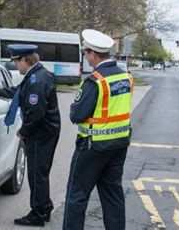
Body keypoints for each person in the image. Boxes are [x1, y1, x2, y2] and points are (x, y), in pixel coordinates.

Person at [0, 44, 61, 227]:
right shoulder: (37, 74)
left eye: (16, 62)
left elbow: (35, 114)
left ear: (24, 60)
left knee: (36, 174)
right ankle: (44, 207)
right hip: (47, 131)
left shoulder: (36, 81)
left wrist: (23, 132)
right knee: (40, 173)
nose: (16, 66)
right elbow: (17, 93)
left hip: (41, 133)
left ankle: (38, 214)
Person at [63, 29, 134, 230]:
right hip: (119, 143)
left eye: (86, 53)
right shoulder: (126, 77)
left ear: (94, 54)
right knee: (113, 194)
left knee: (77, 195)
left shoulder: (95, 81)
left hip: (92, 146)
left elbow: (76, 115)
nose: (86, 56)